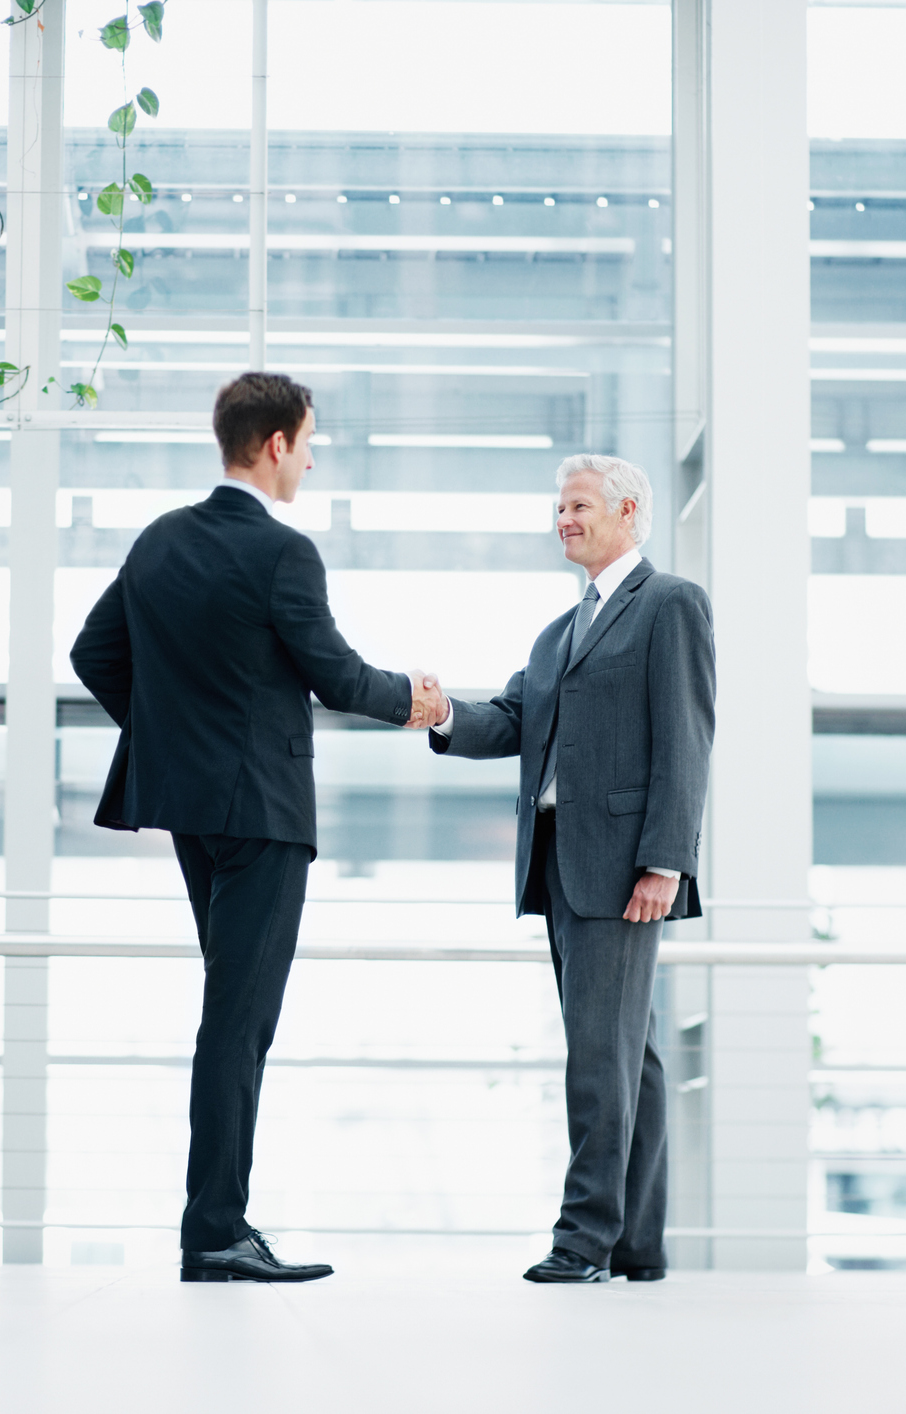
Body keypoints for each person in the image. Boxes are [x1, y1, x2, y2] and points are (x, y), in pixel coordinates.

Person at [70, 371, 447, 1284]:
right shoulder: (283, 553)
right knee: (239, 1025)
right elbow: (336, 675)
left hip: (191, 810)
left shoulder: (160, 540)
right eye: (308, 440)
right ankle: (215, 1233)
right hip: (265, 816)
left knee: (228, 1017)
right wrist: (419, 704)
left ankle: (216, 1226)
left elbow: (94, 654)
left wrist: (179, 740)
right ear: (274, 443)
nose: (312, 458)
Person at [426, 453, 714, 1283]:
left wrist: (666, 860)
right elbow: (511, 719)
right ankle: (636, 1247)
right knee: (628, 1055)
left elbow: (686, 738)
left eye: (578, 504)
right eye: (557, 507)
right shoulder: (558, 633)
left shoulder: (669, 605)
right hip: (558, 866)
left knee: (599, 1056)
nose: (562, 519)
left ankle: (581, 1241)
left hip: (623, 868)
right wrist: (440, 712)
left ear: (628, 511)